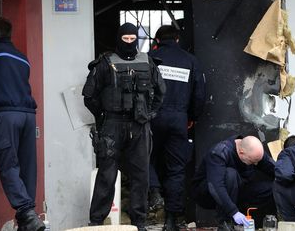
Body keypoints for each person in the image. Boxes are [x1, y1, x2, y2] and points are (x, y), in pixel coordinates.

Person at [82, 22, 166, 230]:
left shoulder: (148, 62)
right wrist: (102, 117)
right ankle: (96, 221)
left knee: (141, 175)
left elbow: (161, 92)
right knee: (107, 175)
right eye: (125, 39)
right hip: (112, 125)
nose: (129, 43)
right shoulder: (105, 63)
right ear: (119, 38)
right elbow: (89, 96)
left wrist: (150, 114)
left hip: (140, 125)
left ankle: (140, 221)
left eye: (132, 39)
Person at [0, 18, 45, 231]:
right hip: (29, 116)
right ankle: (28, 221)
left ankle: (25, 211)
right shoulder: (23, 58)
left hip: (6, 115)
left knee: (8, 164)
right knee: (28, 167)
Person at [147, 25, 206, 231]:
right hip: (179, 119)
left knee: (145, 158)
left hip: (151, 118)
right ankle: (171, 220)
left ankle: (154, 193)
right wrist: (192, 117)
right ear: (178, 39)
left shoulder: (149, 59)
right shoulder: (190, 60)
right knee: (176, 170)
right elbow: (199, 94)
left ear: (157, 40)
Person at [191, 135, 276, 231]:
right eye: (252, 161)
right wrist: (233, 212)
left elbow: (273, 168)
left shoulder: (253, 152)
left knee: (272, 188)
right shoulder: (219, 152)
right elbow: (215, 186)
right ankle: (224, 223)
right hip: (209, 193)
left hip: (237, 189)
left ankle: (247, 219)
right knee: (230, 175)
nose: (256, 164)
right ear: (241, 152)